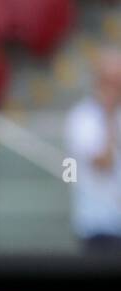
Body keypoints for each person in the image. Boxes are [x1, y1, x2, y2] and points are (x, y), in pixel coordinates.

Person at [65, 48, 121, 252]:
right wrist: (109, 118)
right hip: (98, 226)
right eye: (111, 81)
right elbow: (102, 164)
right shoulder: (81, 118)